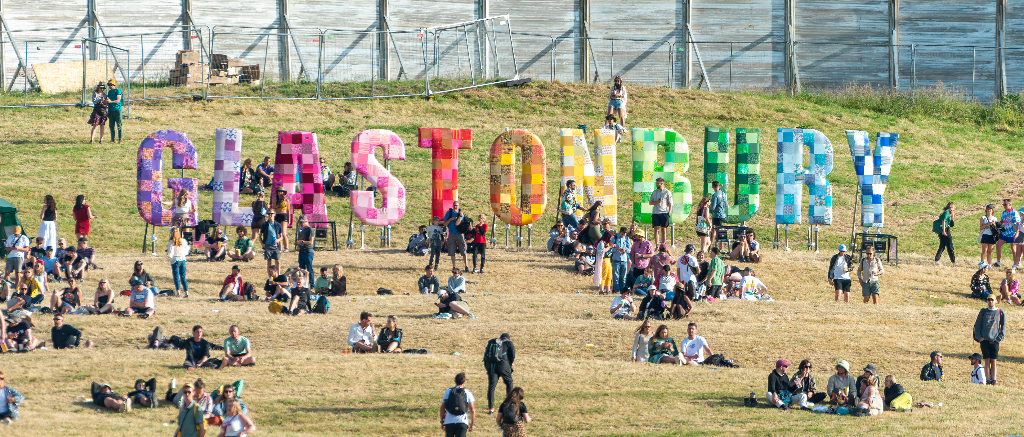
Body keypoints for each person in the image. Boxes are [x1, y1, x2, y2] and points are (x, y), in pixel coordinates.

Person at [973, 295, 1005, 385]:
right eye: (988, 300)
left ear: (996, 301)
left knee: (994, 360)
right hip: (985, 340)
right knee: (987, 360)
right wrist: (980, 337)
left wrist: (999, 338)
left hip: (994, 340)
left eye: (992, 300)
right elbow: (977, 325)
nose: (990, 301)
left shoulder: (1000, 312)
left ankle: (994, 379)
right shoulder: (983, 311)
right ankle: (988, 379)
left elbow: (1003, 326)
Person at [483, 333, 515, 414]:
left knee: (492, 386)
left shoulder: (492, 343)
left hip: (492, 366)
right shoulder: (509, 343)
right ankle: (509, 405)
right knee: (509, 383)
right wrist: (511, 363)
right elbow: (512, 355)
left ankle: (491, 408)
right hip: (504, 365)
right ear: (508, 338)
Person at [440, 372, 476, 437]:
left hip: (449, 421)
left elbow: (443, 407)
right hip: (462, 421)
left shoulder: (448, 391)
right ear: (464, 382)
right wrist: (472, 424)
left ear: (455, 381)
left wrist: (442, 421)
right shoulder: (467, 392)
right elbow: (472, 410)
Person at [442, 202, 469, 271]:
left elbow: (457, 223)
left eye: (456, 205)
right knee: (452, 250)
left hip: (460, 233)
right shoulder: (449, 213)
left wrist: (459, 216)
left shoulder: (461, 214)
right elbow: (444, 224)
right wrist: (450, 219)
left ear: (459, 206)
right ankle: (454, 266)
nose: (455, 207)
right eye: (454, 205)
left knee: (463, 249)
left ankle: (466, 266)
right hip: (451, 234)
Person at [994, 198, 1020, 268]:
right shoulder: (1004, 212)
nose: (1004, 206)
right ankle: (998, 262)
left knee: (1013, 248)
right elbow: (1001, 222)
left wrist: (1017, 233)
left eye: (1005, 204)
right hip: (1005, 233)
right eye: (1003, 204)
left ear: (1010, 204)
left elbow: (1018, 223)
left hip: (1012, 233)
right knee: (998, 245)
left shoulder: (1015, 213)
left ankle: (1015, 264)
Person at [649, 178, 673, 247]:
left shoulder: (667, 192)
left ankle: (663, 245)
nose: (656, 184)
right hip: (656, 213)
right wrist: (656, 202)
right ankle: (657, 245)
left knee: (664, 229)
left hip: (664, 213)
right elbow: (650, 202)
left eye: (658, 183)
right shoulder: (654, 192)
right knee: (656, 229)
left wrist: (669, 212)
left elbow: (671, 203)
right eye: (656, 183)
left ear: (662, 183)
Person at [167, 227, 191, 298]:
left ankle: (178, 293)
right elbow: (187, 249)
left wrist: (169, 255)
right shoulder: (183, 241)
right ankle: (186, 292)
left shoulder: (171, 242)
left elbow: (170, 253)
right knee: (183, 277)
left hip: (175, 260)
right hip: (183, 259)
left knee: (176, 277)